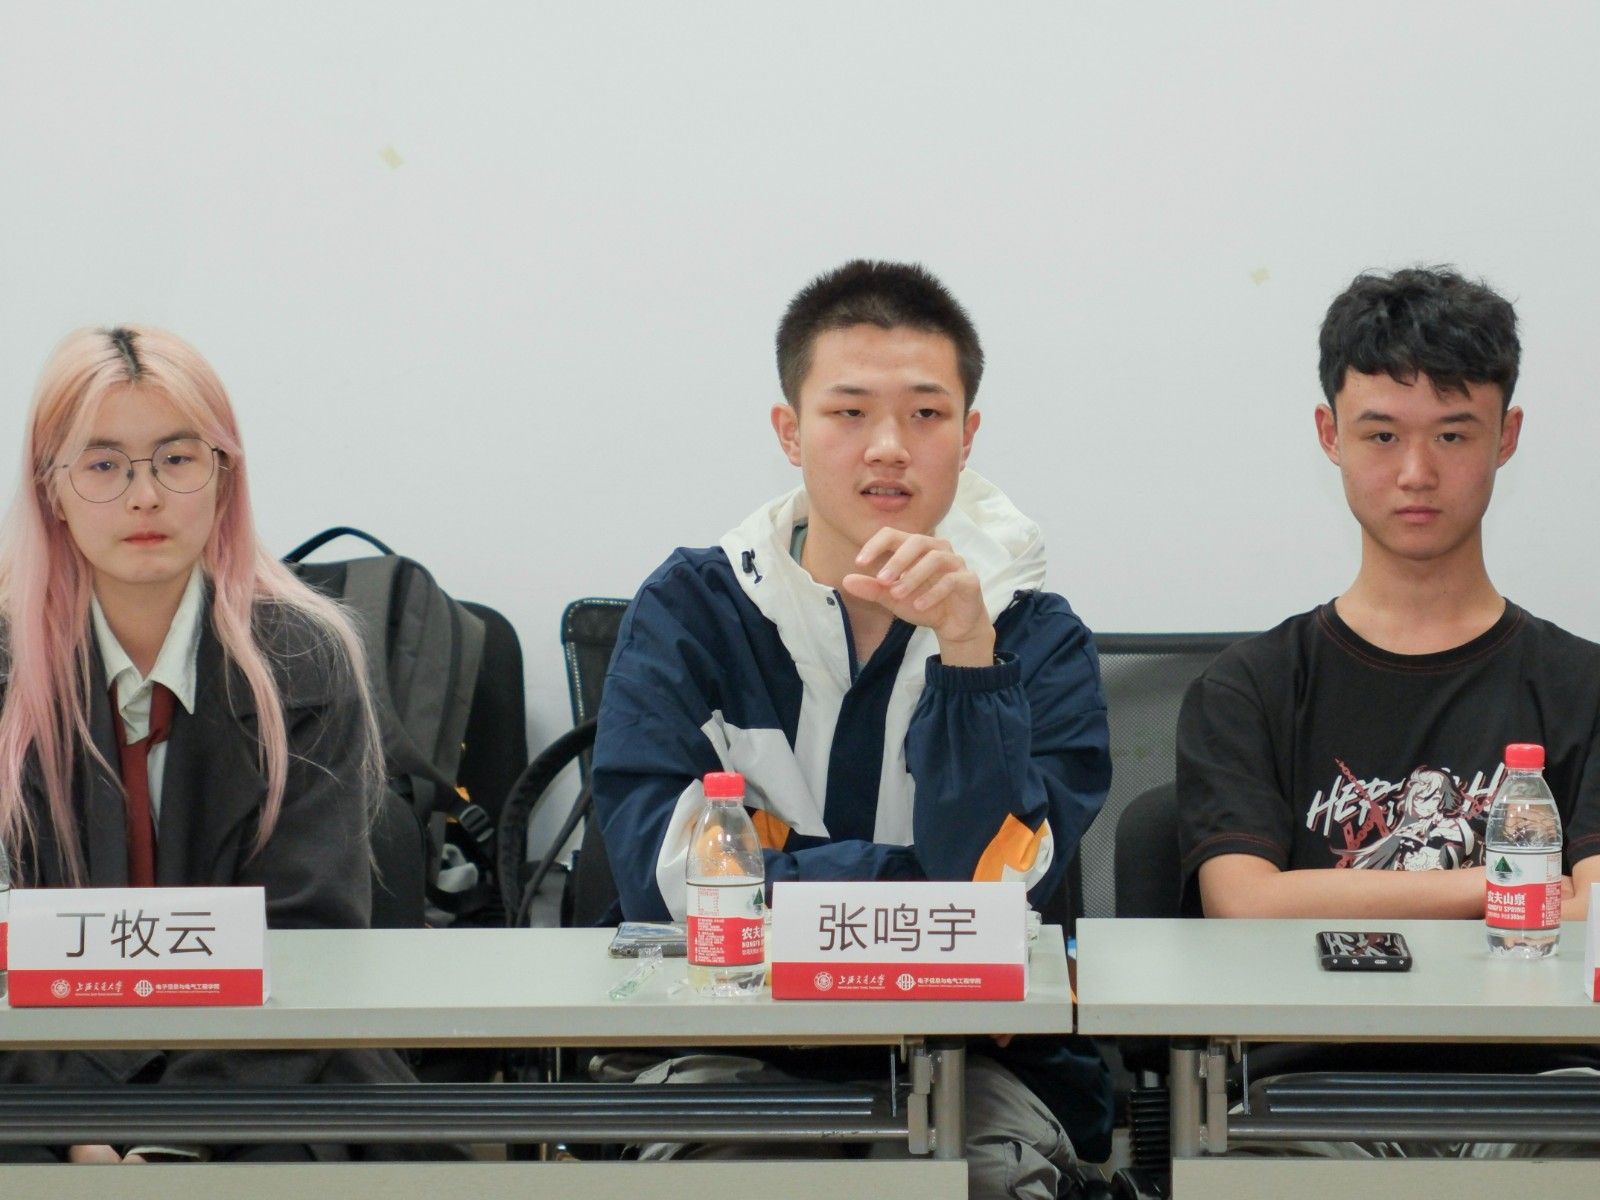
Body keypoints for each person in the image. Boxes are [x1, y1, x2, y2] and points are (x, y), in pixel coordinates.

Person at [592, 260, 1114, 1197]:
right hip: (728, 1044)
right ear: (789, 431)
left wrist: (969, 658)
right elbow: (666, 881)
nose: (888, 447)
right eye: (849, 412)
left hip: (974, 1059)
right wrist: (909, 890)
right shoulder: (691, 612)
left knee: (977, 1179)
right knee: (739, 1179)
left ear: (969, 434)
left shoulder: (1035, 639)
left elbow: (999, 888)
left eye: (926, 413)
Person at [1176, 266, 1600, 1147]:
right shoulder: (1248, 687)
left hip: (1546, 1089)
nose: (1416, 472)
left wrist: (1323, 895)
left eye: (1453, 433)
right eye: (1381, 434)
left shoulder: (1583, 686)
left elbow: (1593, 906)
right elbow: (1243, 903)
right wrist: (1498, 886)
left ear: (1507, 436)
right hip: (1311, 1092)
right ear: (1329, 434)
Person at [0, 325, 416, 1163]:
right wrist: (77, 1124)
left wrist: (181, 1130)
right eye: (104, 465)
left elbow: (307, 939)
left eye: (177, 459)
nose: (145, 497)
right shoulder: (6, 666)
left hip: (266, 1066)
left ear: (225, 478)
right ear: (52, 491)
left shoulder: (306, 660)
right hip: (37, 1072)